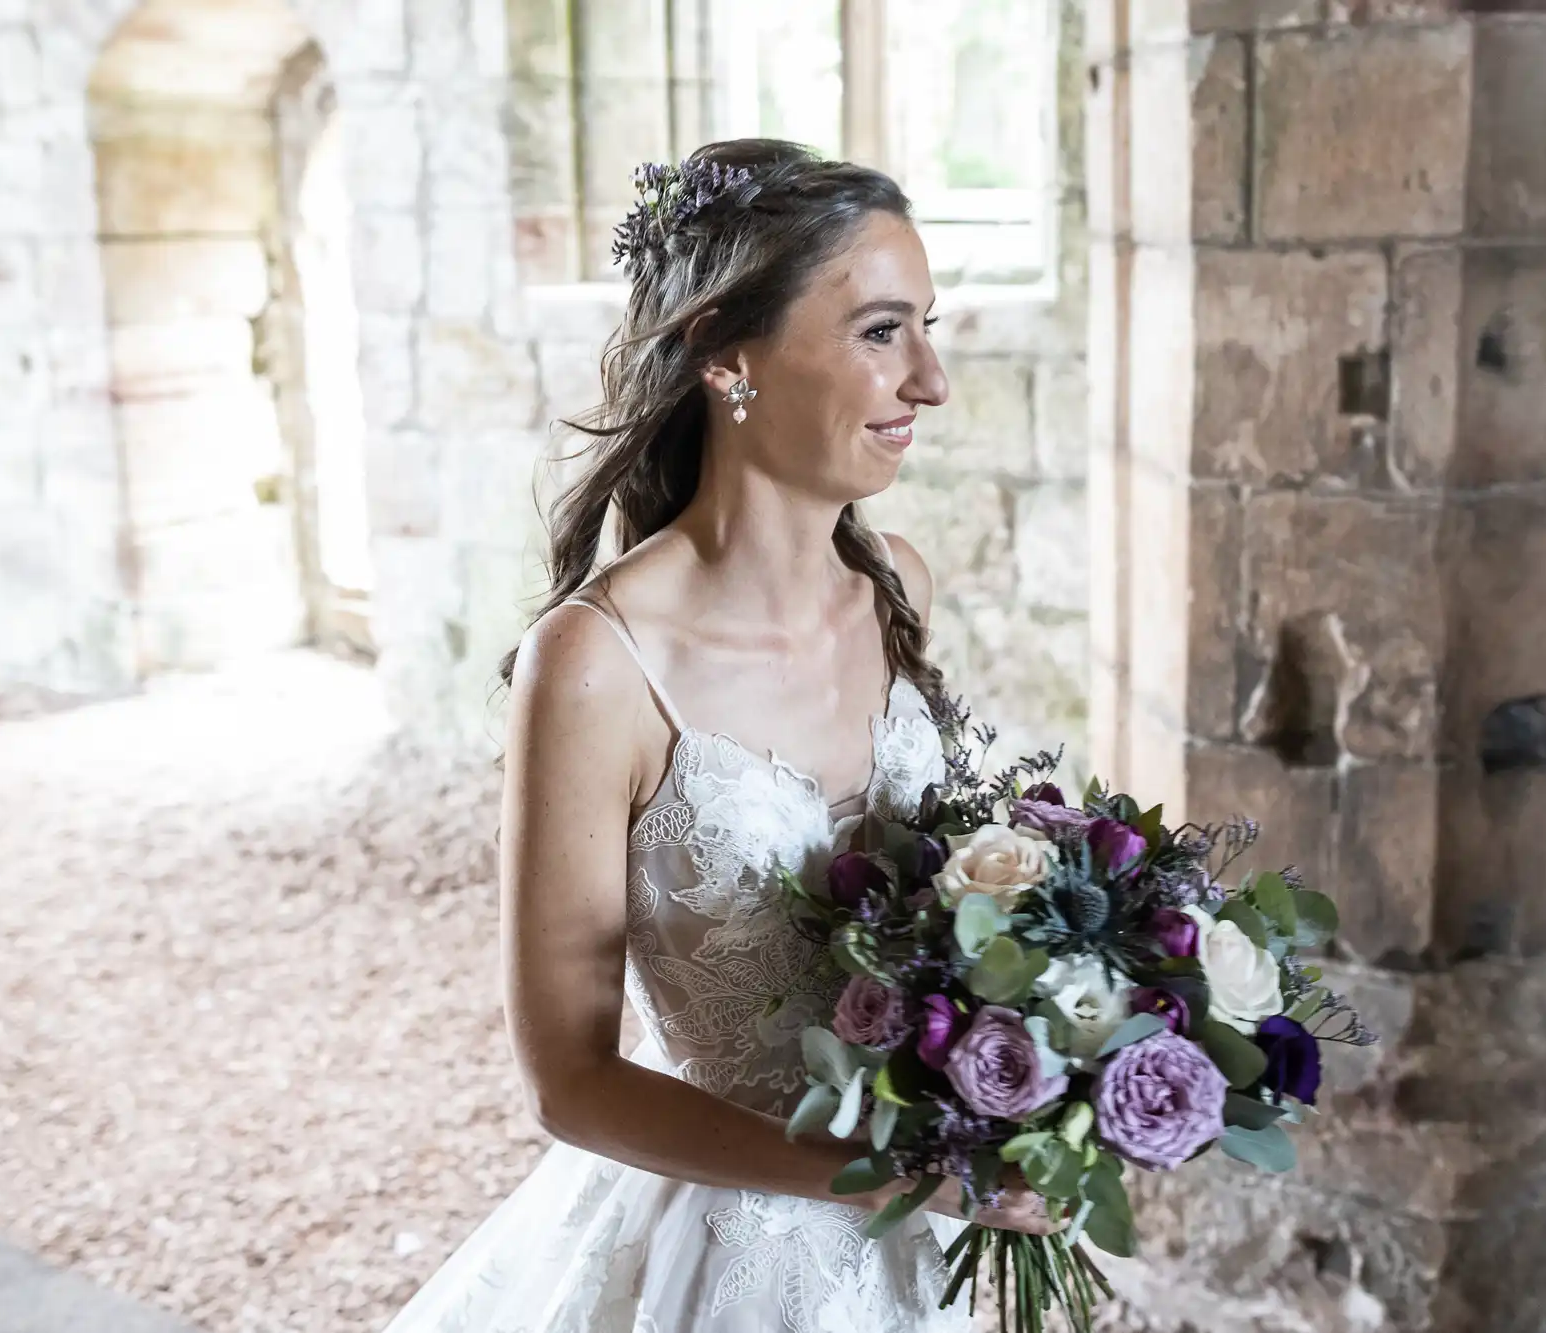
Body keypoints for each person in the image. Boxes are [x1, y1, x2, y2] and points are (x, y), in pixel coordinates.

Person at [381, 140, 1053, 1333]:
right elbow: (571, 1081)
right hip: (737, 1250)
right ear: (723, 357)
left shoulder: (896, 584)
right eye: (881, 332)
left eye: (925, 327)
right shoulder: (598, 663)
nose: (932, 380)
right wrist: (891, 1179)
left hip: (937, 1235)